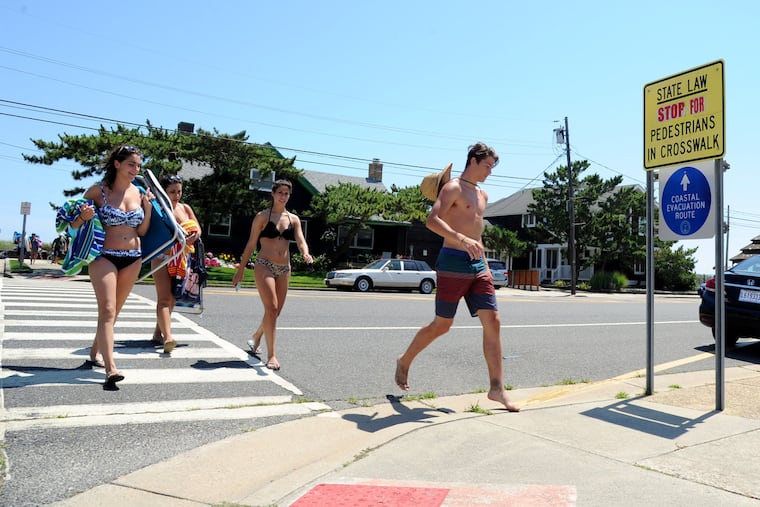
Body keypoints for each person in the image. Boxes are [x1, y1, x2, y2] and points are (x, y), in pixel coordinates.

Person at [395, 142, 520, 412]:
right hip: (452, 261)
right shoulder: (452, 187)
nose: (489, 171)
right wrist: (461, 239)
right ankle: (404, 360)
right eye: (487, 165)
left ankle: (497, 388)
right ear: (473, 161)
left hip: (478, 266)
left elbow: (477, 235)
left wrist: (485, 266)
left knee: (493, 321)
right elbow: (432, 220)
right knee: (443, 325)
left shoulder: (483, 195)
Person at [75, 144, 153, 388]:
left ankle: (94, 352)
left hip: (133, 257)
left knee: (114, 312)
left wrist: (148, 209)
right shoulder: (98, 191)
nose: (136, 169)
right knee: (107, 310)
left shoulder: (139, 193)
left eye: (138, 165)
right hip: (103, 256)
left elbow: (141, 230)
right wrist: (83, 217)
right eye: (131, 164)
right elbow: (73, 223)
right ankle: (111, 369)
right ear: (117, 164)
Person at [232, 179, 313, 371]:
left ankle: (257, 336)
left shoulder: (293, 219)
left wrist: (305, 253)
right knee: (272, 307)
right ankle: (272, 356)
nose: (283, 196)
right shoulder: (262, 217)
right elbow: (251, 244)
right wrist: (241, 269)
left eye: (286, 194)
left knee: (275, 312)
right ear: (273, 194)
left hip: (284, 268)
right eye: (280, 193)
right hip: (264, 265)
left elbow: (301, 240)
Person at [151, 174, 201, 353]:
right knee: (164, 298)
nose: (176, 195)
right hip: (162, 257)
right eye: (172, 191)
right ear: (163, 191)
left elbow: (197, 226)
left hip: (181, 257)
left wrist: (194, 235)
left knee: (172, 297)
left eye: (179, 191)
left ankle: (158, 333)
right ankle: (168, 337)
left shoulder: (185, 208)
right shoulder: (158, 208)